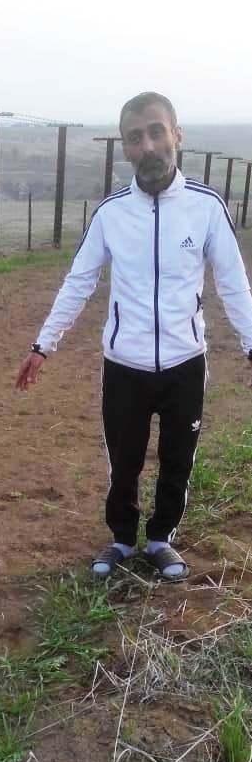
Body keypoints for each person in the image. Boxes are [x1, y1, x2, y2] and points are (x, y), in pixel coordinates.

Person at [15, 92, 252, 582]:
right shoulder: (111, 214)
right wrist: (43, 346)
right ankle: (122, 539)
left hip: (186, 363)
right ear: (125, 147)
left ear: (176, 135)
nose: (147, 146)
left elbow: (233, 283)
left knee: (177, 460)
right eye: (135, 137)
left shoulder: (206, 208)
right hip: (124, 365)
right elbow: (78, 282)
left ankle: (161, 539)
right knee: (123, 463)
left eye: (156, 132)